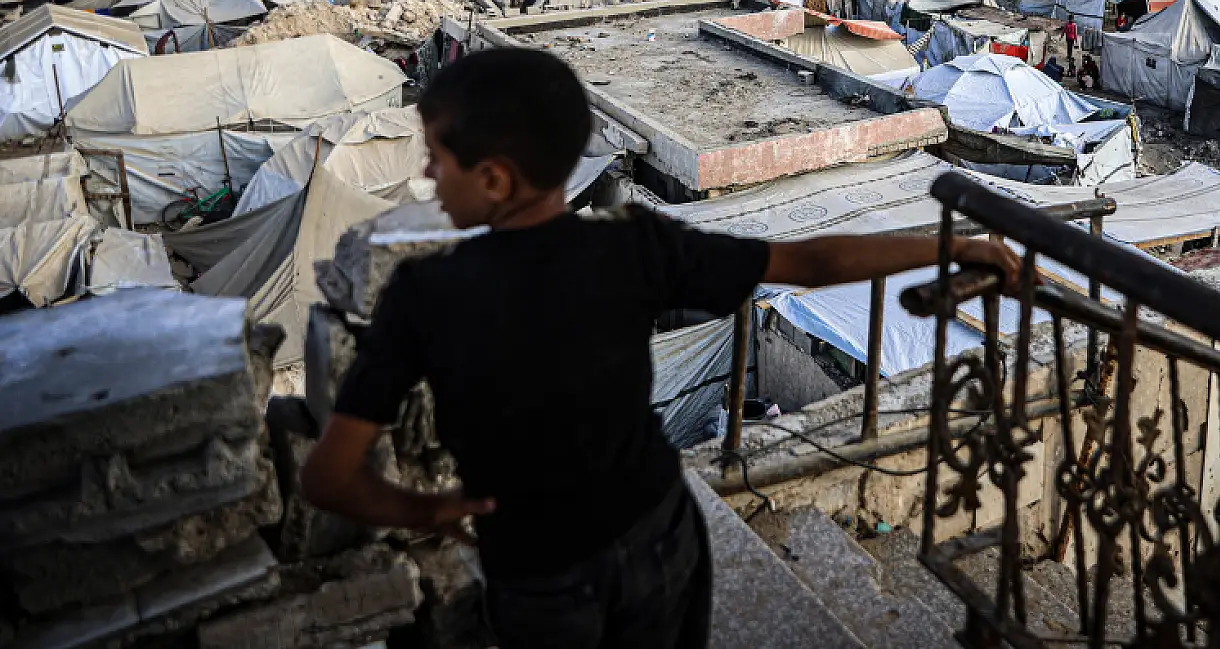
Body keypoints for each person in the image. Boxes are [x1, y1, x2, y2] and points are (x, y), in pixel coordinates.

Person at [299, 48, 1020, 649]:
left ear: (494, 178)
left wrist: (430, 511)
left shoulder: (424, 295)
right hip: (658, 532)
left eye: (436, 160)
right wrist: (957, 247)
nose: (429, 177)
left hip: (540, 569)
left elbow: (330, 478)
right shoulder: (634, 248)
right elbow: (813, 263)